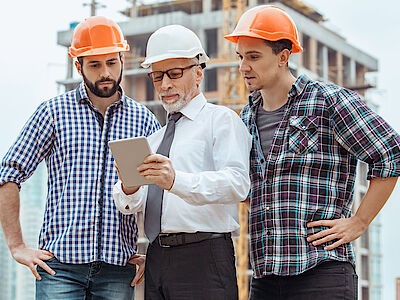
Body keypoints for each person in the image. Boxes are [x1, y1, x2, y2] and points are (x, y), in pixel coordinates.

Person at [224, 5, 400, 300]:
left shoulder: (329, 101)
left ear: (283, 57)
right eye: (240, 57)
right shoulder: (244, 118)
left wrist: (359, 222)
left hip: (322, 270)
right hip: (266, 276)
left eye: (253, 57)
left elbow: (391, 152)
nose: (243, 67)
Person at [0, 16, 160, 299]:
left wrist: (150, 252)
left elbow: (157, 192)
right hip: (59, 269)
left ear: (122, 59)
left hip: (118, 269)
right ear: (78, 66)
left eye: (111, 62)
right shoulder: (52, 113)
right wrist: (17, 246)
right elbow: (9, 174)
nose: (105, 72)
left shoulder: (143, 120)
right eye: (95, 65)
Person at [113, 24, 251, 300]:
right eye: (157, 77)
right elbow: (133, 205)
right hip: (156, 258)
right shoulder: (154, 139)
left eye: (174, 74)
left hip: (204, 258)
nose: (165, 85)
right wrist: (129, 188)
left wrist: (176, 181)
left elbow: (238, 184)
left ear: (198, 72)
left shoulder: (221, 121)